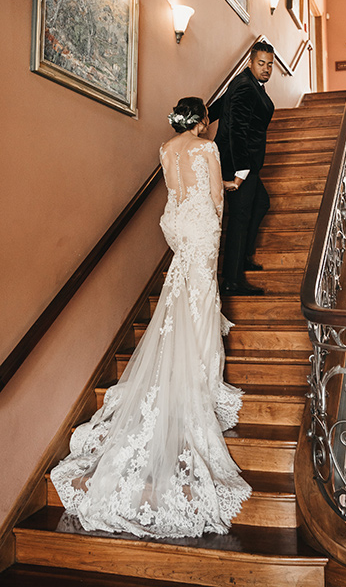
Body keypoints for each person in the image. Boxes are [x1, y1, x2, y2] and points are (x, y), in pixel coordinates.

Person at [51, 97, 251, 539]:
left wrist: (206, 201)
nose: (208, 128)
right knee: (201, 296)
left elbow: (180, 189)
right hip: (200, 227)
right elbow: (214, 198)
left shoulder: (165, 149)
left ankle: (183, 362)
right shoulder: (208, 148)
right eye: (207, 122)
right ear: (201, 121)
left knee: (182, 294)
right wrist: (221, 213)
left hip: (177, 221)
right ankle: (200, 373)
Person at [211, 41, 275, 297]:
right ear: (250, 62)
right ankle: (232, 279)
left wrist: (204, 114)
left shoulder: (245, 83)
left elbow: (221, 105)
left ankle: (242, 256)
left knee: (261, 204)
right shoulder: (246, 86)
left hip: (245, 162)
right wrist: (241, 172)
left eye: (270, 64)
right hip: (239, 163)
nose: (266, 69)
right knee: (239, 218)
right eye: (261, 63)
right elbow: (237, 130)